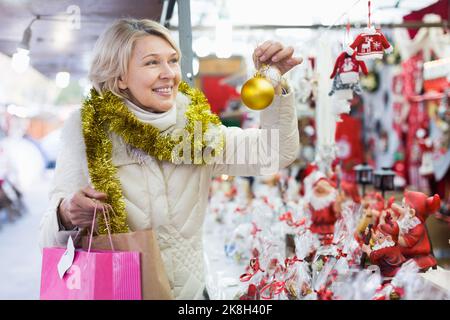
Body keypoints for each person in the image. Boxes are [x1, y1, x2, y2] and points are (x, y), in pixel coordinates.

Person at [39, 18, 302, 299]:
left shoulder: (196, 129)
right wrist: (65, 215)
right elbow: (47, 237)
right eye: (152, 63)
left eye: (173, 60)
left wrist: (274, 85)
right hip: (118, 290)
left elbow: (273, 153)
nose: (169, 73)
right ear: (119, 76)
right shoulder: (86, 130)